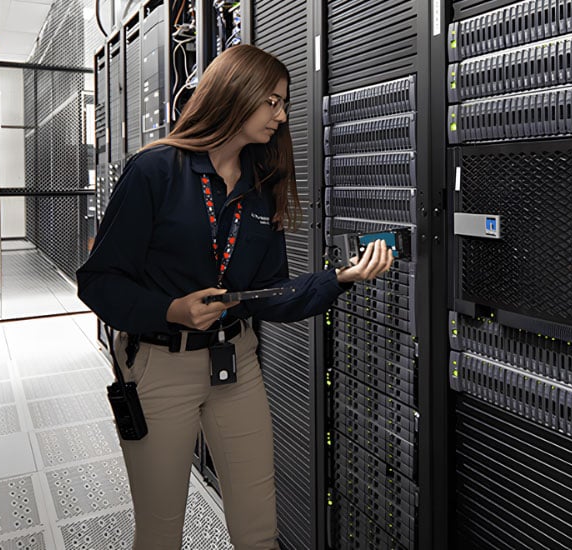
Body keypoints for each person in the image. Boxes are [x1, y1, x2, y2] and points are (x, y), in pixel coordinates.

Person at [76, 44, 393, 550]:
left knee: (258, 529)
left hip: (236, 362)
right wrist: (171, 309)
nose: (281, 115)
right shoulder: (155, 171)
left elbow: (269, 296)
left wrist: (341, 278)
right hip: (161, 363)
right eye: (272, 101)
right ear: (234, 92)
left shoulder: (259, 189)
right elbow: (98, 281)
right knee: (160, 533)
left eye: (283, 103)